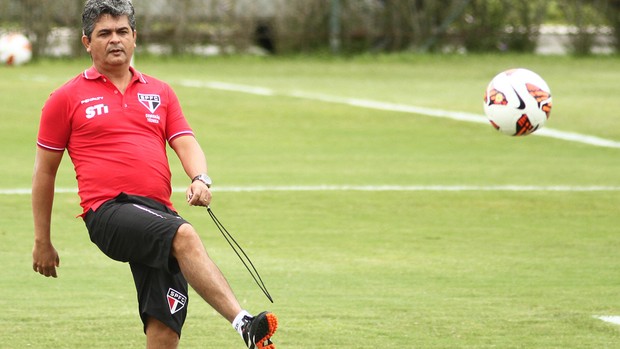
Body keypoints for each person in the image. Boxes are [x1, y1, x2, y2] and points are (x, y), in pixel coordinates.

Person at [31, 1, 278, 348]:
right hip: (108, 212)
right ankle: (244, 324)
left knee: (165, 327)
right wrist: (42, 240)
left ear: (135, 37)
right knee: (185, 235)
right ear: (87, 42)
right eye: (104, 33)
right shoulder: (66, 98)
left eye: (122, 32)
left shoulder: (160, 92)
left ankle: (232, 327)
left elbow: (185, 141)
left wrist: (200, 178)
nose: (114, 40)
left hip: (157, 215)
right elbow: (44, 172)